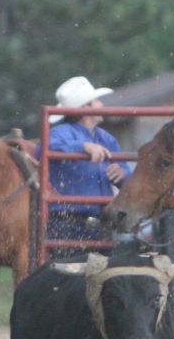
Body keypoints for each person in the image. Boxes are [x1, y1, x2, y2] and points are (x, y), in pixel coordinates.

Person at [41, 76, 132, 249]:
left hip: (101, 224)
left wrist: (122, 174)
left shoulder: (107, 139)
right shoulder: (60, 133)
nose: (102, 105)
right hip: (67, 223)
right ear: (85, 108)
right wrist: (82, 146)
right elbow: (43, 149)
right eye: (97, 101)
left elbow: (129, 180)